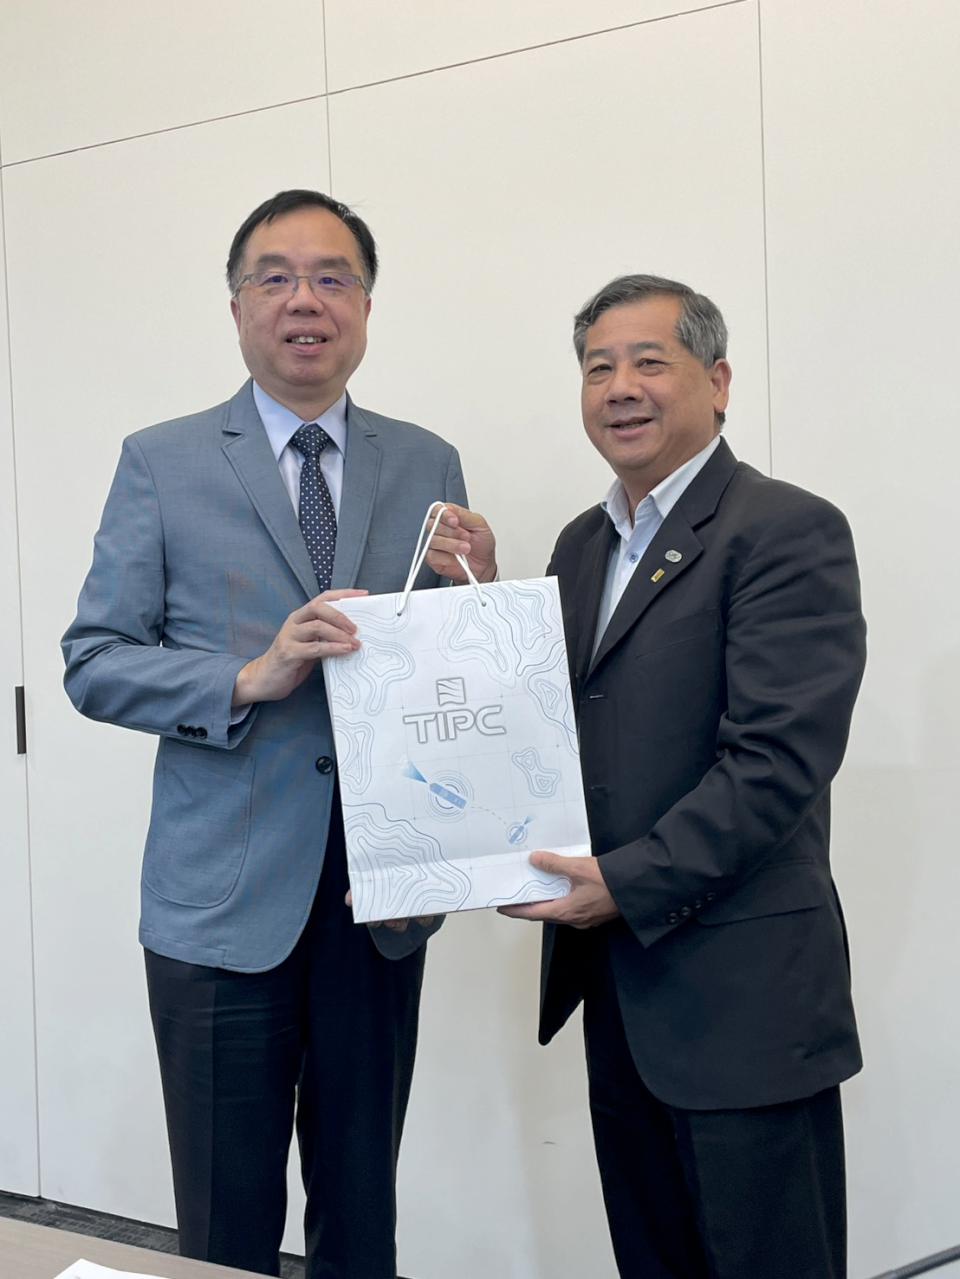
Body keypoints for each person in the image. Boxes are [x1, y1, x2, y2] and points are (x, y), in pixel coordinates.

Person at [62, 189, 492, 1279]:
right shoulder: (161, 460)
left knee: (362, 1214)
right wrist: (249, 677)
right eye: (277, 276)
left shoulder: (428, 461)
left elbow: (451, 666)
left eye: (333, 277)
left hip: (379, 896)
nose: (306, 299)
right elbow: (94, 660)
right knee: (225, 1224)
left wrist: (482, 595)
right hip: (220, 901)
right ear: (238, 305)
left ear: (366, 306)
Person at [432, 275, 865, 1278]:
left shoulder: (783, 529)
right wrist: (483, 601)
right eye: (598, 368)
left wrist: (623, 883)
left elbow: (777, 763)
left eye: (648, 362)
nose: (620, 387)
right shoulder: (584, 546)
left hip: (744, 1000)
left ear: (718, 383)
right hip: (622, 993)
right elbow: (557, 726)